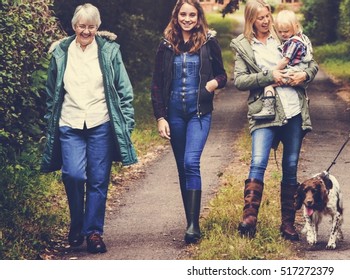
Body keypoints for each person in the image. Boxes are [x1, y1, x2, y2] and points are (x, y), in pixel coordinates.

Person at [41, 3, 137, 254]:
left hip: (100, 122)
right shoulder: (61, 53)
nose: (86, 31)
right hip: (69, 123)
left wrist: (126, 122)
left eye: (91, 27)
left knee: (98, 180)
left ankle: (93, 232)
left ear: (98, 27)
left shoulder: (109, 52)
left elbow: (124, 90)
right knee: (73, 174)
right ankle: (77, 222)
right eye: (82, 26)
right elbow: (52, 92)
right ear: (74, 26)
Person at [230, 0, 319, 240]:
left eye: (267, 15)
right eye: (260, 17)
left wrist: (304, 75)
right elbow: (239, 81)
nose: (266, 21)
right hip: (264, 112)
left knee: (290, 167)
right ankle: (249, 220)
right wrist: (270, 75)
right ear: (251, 20)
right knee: (258, 161)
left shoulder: (283, 34)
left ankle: (288, 224)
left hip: (292, 109)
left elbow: (312, 65)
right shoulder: (245, 46)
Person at [150, 0, 227, 244]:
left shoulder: (208, 41)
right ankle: (189, 219)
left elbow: (222, 75)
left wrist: (213, 84)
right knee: (183, 167)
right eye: (183, 14)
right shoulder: (165, 45)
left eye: (192, 14)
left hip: (199, 112)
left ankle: (194, 226)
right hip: (174, 114)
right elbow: (156, 84)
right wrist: (160, 117)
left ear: (198, 16)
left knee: (191, 161)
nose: (187, 19)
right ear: (176, 16)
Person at [252, 9, 314, 120]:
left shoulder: (294, 42)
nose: (282, 34)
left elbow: (285, 60)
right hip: (296, 71)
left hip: (292, 73)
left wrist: (272, 72)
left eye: (286, 31)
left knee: (268, 84)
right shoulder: (303, 38)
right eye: (279, 32)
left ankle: (268, 108)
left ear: (295, 27)